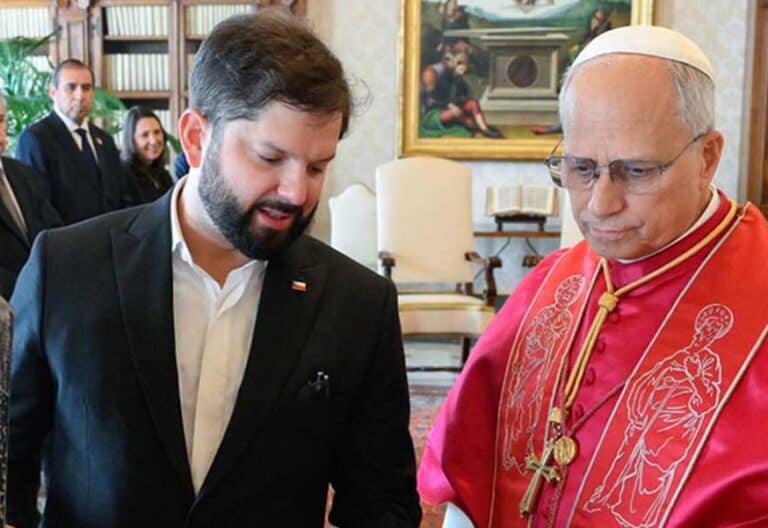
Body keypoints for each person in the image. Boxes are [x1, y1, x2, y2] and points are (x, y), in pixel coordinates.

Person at [8, 11, 421, 528]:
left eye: (317, 166)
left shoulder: (358, 304)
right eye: (270, 158)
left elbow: (383, 503)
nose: (297, 192)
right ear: (197, 138)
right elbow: (8, 473)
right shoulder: (66, 269)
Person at [418, 25, 768, 527]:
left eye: (637, 171)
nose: (601, 204)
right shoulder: (551, 282)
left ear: (708, 157)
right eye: (581, 169)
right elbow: (473, 479)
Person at [15, 59, 127, 224]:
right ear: (53, 92)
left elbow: (118, 195)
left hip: (109, 241)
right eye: (71, 87)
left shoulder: (104, 140)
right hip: (65, 243)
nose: (80, 95)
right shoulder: (36, 138)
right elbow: (37, 206)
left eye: (86, 88)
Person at [0, 94, 61, 300]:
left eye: (0, 120)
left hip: (46, 299)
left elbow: (52, 229)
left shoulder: (23, 173)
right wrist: (28, 288)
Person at [121, 106, 173, 204]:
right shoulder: (123, 175)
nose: (153, 141)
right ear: (132, 140)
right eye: (145, 135)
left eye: (157, 132)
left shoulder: (163, 175)